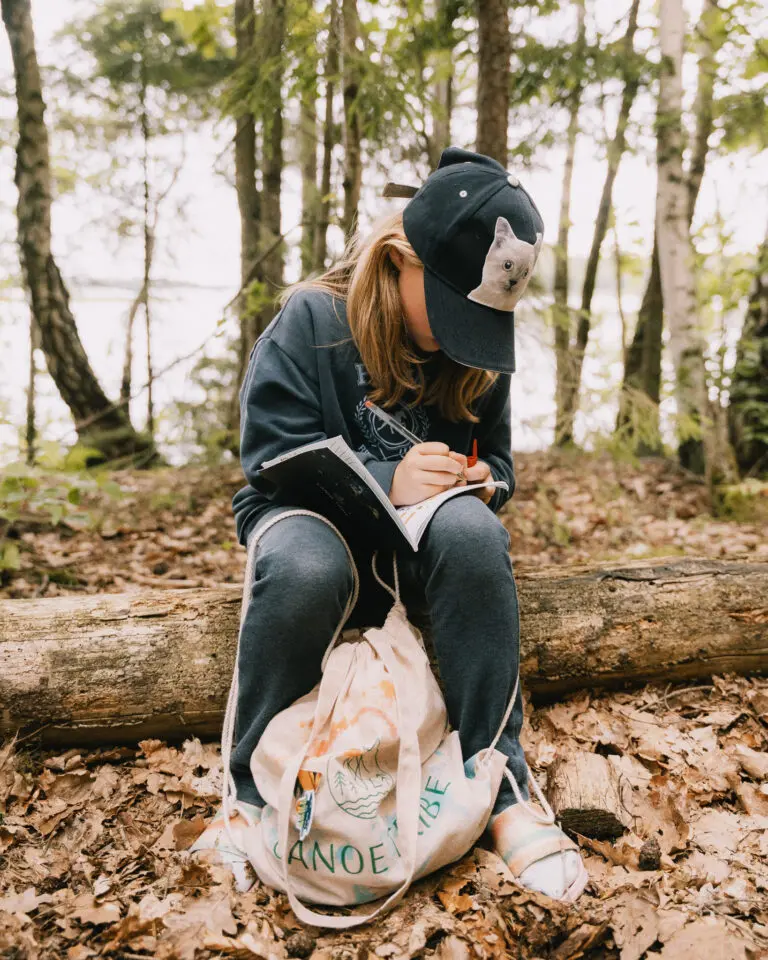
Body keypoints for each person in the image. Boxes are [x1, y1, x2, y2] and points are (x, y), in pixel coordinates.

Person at [191, 148, 588, 903]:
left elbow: (497, 460)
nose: (458, 337)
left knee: (476, 535)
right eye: (449, 312)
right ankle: (246, 796)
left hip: (420, 539)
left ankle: (500, 784)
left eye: (479, 323)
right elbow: (269, 453)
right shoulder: (314, 318)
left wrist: (481, 481)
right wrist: (385, 479)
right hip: (309, 514)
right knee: (306, 567)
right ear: (399, 258)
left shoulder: (475, 359)